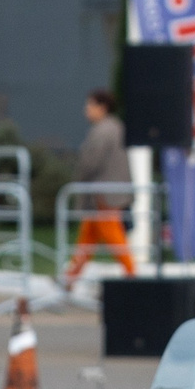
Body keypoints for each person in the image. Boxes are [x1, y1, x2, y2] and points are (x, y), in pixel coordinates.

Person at [65, 88, 136, 283]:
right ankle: (70, 278)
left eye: (90, 105)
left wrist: (78, 178)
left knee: (113, 236)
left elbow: (90, 162)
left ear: (102, 107)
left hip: (104, 193)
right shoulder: (116, 127)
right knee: (88, 237)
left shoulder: (103, 130)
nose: (86, 109)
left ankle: (132, 275)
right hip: (109, 192)